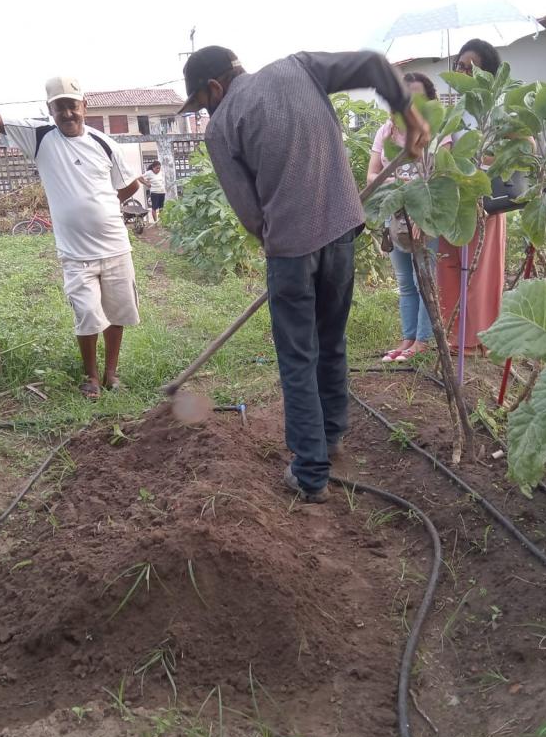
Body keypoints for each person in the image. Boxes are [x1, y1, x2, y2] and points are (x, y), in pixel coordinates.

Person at [178, 46, 429, 502]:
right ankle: (329, 438)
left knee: (298, 357)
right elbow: (375, 64)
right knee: (330, 342)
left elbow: (249, 214)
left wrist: (281, 243)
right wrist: (411, 119)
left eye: (200, 102)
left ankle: (310, 472)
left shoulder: (221, 127)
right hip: (342, 232)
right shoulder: (300, 67)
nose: (203, 112)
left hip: (291, 250)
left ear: (214, 87)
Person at [0, 53, 141, 399]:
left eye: (72, 106)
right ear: (49, 109)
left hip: (116, 246)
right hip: (76, 254)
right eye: (60, 107)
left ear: (84, 106)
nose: (67, 113)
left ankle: (111, 373)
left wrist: (101, 206)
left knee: (116, 313)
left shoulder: (106, 144)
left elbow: (128, 186)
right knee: (87, 314)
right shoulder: (40, 136)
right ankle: (91, 377)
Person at [436, 39, 507, 354]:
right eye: (459, 66)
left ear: (487, 73)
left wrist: (483, 159)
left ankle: (481, 338)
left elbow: (525, 146)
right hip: (452, 196)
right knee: (449, 264)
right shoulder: (454, 111)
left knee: (481, 268)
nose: (462, 72)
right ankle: (455, 337)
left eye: (470, 68)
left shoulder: (498, 110)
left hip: (484, 197)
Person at [367, 71, 438, 363]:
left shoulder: (436, 132)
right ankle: (408, 338)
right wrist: (397, 182)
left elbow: (440, 178)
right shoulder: (386, 132)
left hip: (424, 215)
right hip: (395, 215)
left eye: (418, 96)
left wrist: (424, 216)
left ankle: (423, 341)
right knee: (405, 281)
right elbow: (371, 175)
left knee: (425, 280)